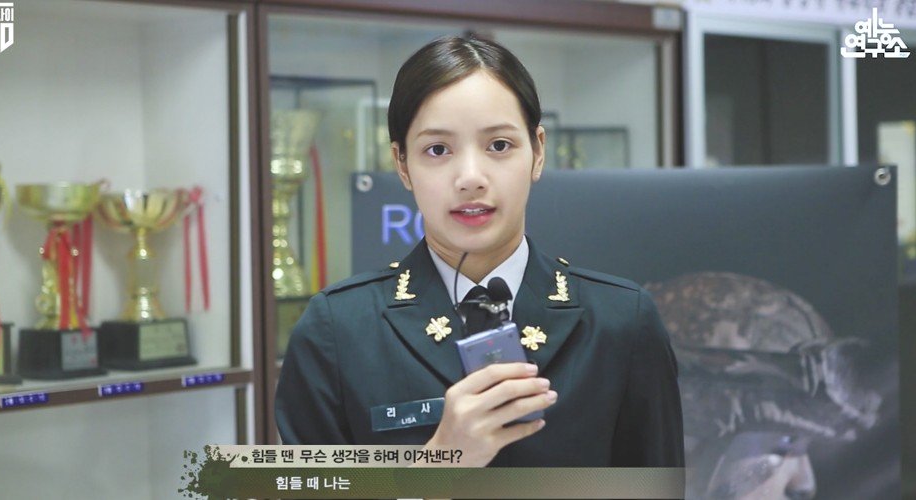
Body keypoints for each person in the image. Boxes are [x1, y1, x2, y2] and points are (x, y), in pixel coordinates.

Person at [274, 34, 684, 467]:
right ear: (402, 164)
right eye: (437, 149)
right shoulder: (336, 332)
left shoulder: (620, 323)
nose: (470, 177)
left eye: (499, 145)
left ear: (538, 152)